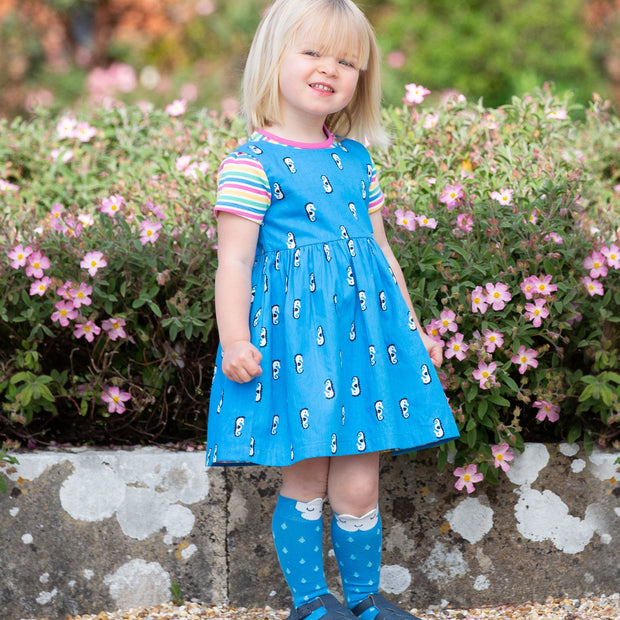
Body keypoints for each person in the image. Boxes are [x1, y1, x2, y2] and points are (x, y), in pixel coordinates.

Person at [205, 1, 459, 619]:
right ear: (274, 58)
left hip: (367, 339)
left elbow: (381, 252)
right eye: (313, 52)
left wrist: (416, 331)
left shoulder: (356, 160)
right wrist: (235, 339)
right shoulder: (251, 163)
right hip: (297, 346)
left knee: (358, 479)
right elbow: (234, 263)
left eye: (347, 61)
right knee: (306, 476)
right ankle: (312, 603)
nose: (330, 69)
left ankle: (366, 599)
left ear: (360, 80)